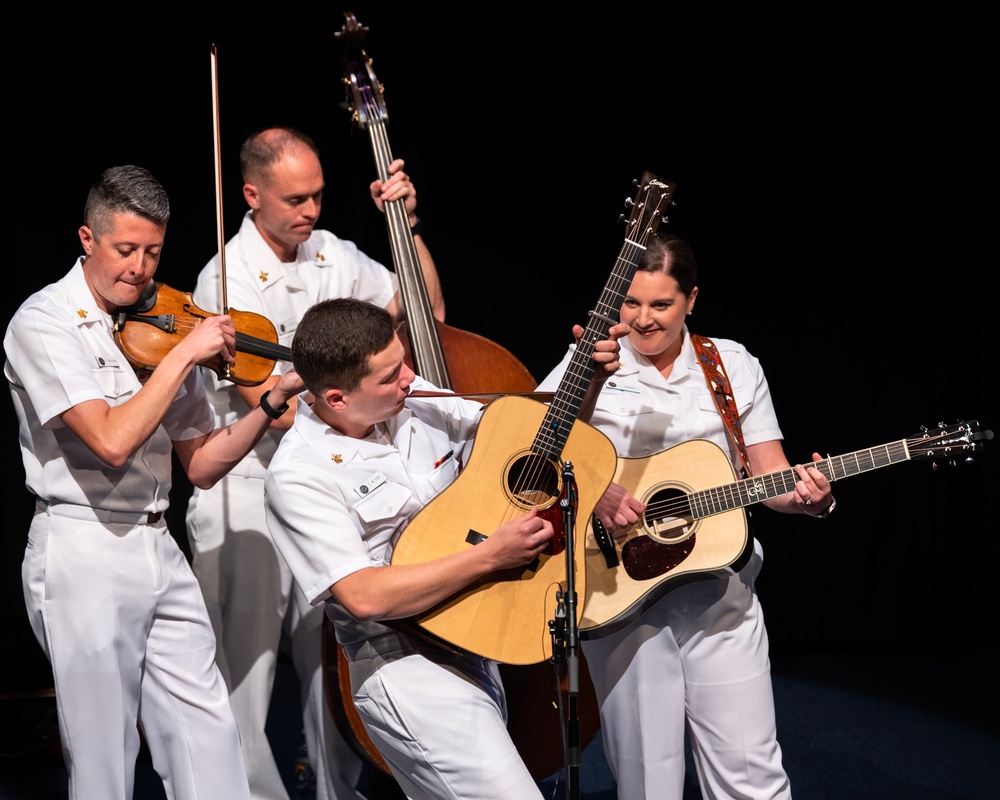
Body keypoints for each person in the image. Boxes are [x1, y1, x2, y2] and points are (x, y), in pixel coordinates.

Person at [3, 164, 303, 800]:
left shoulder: (166, 325)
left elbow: (199, 463)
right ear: (88, 239)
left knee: (209, 733)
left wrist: (268, 407)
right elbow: (111, 440)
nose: (140, 269)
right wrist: (187, 356)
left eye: (154, 252)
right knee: (105, 755)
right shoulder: (45, 321)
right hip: (82, 546)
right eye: (125, 250)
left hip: (158, 542)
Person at [262, 297, 627, 799]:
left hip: (478, 643)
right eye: (389, 376)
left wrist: (589, 380)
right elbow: (364, 596)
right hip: (405, 669)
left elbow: (536, 443)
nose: (410, 377)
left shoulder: (416, 400)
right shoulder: (299, 474)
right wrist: (491, 556)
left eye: (404, 361)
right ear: (337, 398)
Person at [184, 126, 445, 800]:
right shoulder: (225, 273)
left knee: (331, 663)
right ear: (252, 195)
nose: (311, 211)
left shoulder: (333, 252)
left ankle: (339, 792)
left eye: (319, 196)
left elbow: (423, 314)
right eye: (295, 199)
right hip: (247, 486)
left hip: (327, 484)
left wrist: (405, 228)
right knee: (248, 673)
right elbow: (270, 400)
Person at [536, 233, 836, 800]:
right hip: (622, 592)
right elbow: (532, 454)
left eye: (660, 305)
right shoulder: (590, 363)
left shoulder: (730, 363)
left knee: (753, 774)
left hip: (720, 588)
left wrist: (808, 499)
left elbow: (766, 475)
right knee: (652, 781)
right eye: (630, 303)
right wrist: (597, 487)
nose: (643, 320)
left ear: (691, 300)